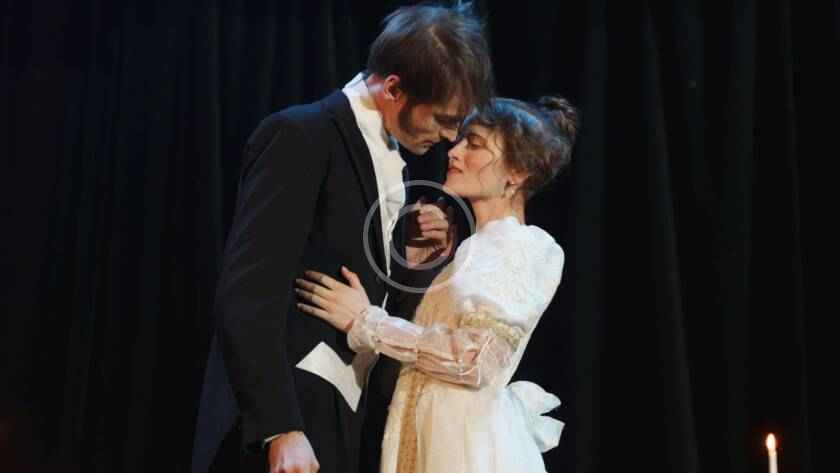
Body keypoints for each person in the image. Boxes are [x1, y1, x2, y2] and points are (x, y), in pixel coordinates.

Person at [190, 4, 495, 473]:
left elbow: (363, 285)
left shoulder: (392, 157)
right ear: (393, 88)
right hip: (291, 414)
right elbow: (247, 294)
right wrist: (280, 427)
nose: (450, 136)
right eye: (442, 119)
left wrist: (409, 259)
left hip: (343, 415)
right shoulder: (303, 135)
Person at [295, 95, 578, 473]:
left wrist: (366, 322)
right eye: (460, 141)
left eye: (474, 144)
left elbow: (476, 360)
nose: (454, 152)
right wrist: (418, 270)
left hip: (465, 445)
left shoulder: (525, 245)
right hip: (428, 433)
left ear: (518, 171)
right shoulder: (474, 250)